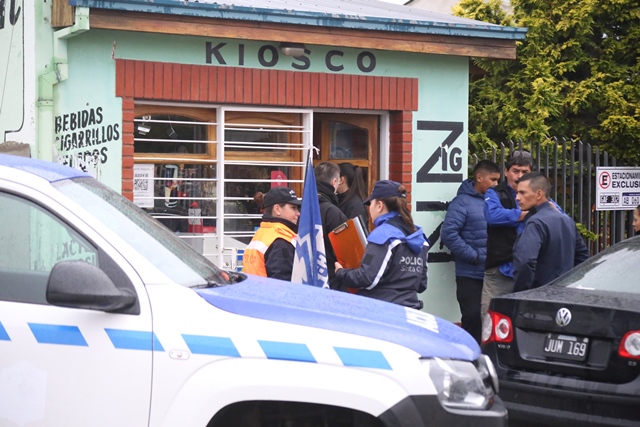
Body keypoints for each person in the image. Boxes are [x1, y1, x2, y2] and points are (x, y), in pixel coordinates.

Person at [333, 180, 429, 309]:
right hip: (410, 310)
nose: (369, 209)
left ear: (379, 205)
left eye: (370, 203)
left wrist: (341, 272)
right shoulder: (419, 237)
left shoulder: (382, 235)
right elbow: (421, 284)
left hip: (382, 311)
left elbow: (367, 278)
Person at [442, 160, 500, 344]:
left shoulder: (497, 201)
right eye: (493, 179)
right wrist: (474, 257)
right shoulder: (462, 202)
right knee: (472, 317)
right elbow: (449, 234)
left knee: (493, 319)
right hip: (470, 274)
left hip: (494, 274)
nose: (496, 185)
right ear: (479, 177)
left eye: (498, 180)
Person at [512, 173, 589, 292]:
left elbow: (525, 261)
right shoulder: (566, 220)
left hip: (539, 296)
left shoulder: (536, 222)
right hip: (563, 293)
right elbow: (583, 257)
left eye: (522, 192)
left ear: (538, 194)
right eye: (517, 193)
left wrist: (520, 292)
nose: (517, 197)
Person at [481, 150, 533, 317]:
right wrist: (523, 215)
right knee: (492, 319)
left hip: (527, 269)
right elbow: (493, 215)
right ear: (506, 172)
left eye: (525, 172)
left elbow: (556, 214)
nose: (519, 176)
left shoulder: (537, 194)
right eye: (515, 171)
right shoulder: (495, 192)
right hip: (500, 270)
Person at [242, 187, 301, 280]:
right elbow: (281, 287)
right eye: (293, 208)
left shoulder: (262, 233)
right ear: (277, 209)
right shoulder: (281, 242)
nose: (298, 213)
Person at [314, 162, 348, 287]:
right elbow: (346, 251)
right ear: (334, 182)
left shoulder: (300, 209)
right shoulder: (333, 213)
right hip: (330, 279)